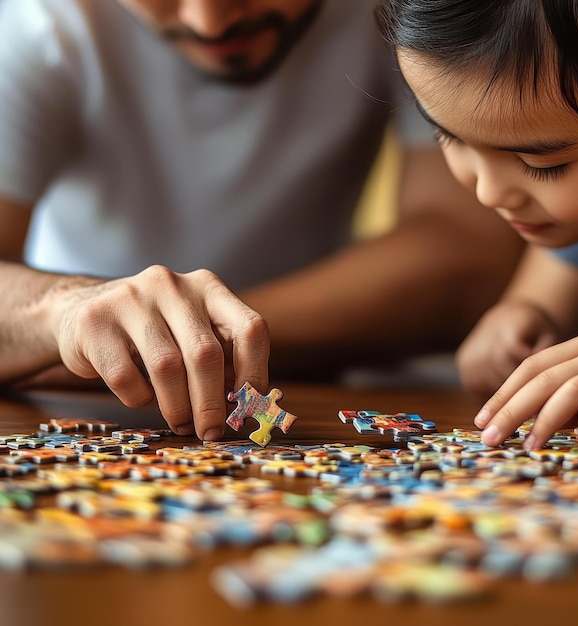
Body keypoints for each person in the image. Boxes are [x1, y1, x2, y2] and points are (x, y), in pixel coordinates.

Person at [0, 0, 524, 440]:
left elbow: (469, 257)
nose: (210, 21)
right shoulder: (34, 21)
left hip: (301, 398)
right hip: (78, 402)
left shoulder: (416, 9)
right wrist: (66, 314)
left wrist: (190, 345)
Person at [376, 0, 578, 450]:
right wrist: (519, 322)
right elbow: (541, 304)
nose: (488, 193)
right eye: (447, 135)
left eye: (542, 163)